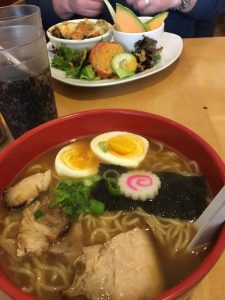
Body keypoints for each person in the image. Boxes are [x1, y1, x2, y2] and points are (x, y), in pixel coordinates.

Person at [26, 0, 225, 38]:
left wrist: (183, 0)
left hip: (182, 54)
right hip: (89, 66)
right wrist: (64, 4)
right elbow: (35, 10)